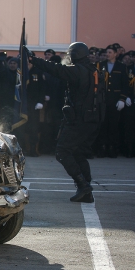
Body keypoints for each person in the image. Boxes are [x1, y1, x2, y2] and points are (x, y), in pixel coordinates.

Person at [29, 42, 102, 203]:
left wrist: (33, 60)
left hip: (79, 120)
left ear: (75, 56)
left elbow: (57, 70)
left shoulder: (79, 71)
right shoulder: (93, 71)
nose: (67, 58)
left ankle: (83, 185)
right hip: (91, 120)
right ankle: (86, 191)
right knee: (78, 153)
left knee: (62, 152)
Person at [97, 45, 129, 158]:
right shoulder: (100, 65)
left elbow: (126, 84)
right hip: (103, 100)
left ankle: (112, 148)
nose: (108, 54)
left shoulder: (122, 67)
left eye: (110, 52)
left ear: (115, 54)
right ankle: (102, 147)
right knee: (103, 124)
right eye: (107, 52)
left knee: (113, 126)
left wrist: (122, 99)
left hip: (115, 100)